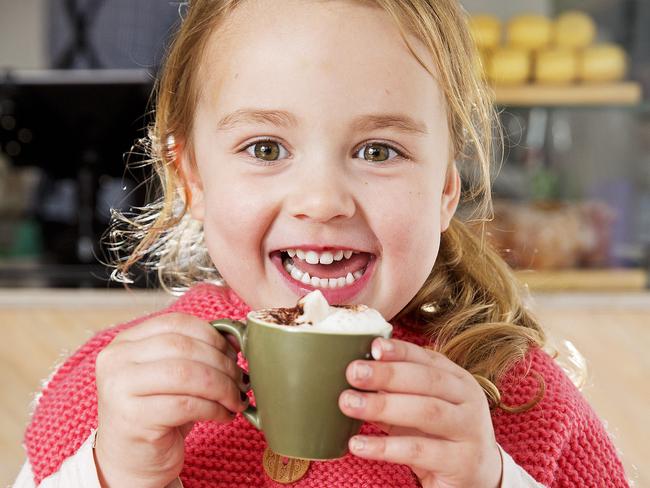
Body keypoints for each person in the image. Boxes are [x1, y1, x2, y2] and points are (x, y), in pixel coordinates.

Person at [14, 0, 629, 487]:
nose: (322, 200)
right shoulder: (112, 398)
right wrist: (116, 474)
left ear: (445, 188)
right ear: (191, 179)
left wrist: (489, 480)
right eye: (265, 149)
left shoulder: (518, 403)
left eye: (378, 151)